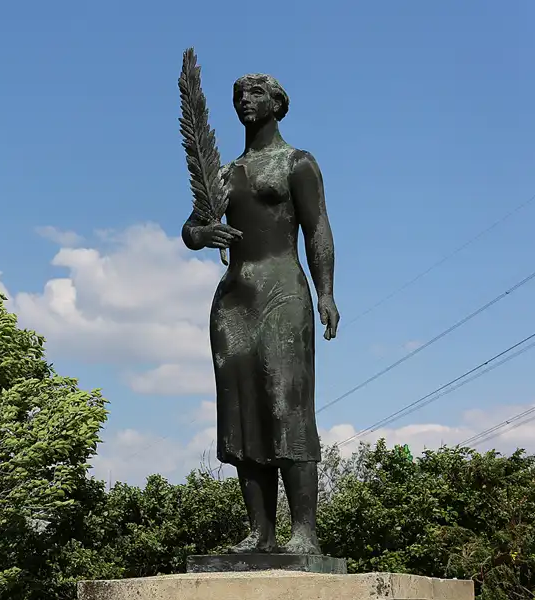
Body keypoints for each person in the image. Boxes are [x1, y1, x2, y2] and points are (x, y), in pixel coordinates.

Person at [181, 73, 340, 554]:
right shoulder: (224, 174)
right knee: (242, 413)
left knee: (285, 403)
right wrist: (202, 235)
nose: (243, 102)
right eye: (237, 96)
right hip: (234, 301)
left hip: (284, 293)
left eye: (254, 94)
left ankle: (304, 531)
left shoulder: (297, 163)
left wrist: (327, 292)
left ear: (277, 103)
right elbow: (192, 227)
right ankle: (260, 532)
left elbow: (318, 229)